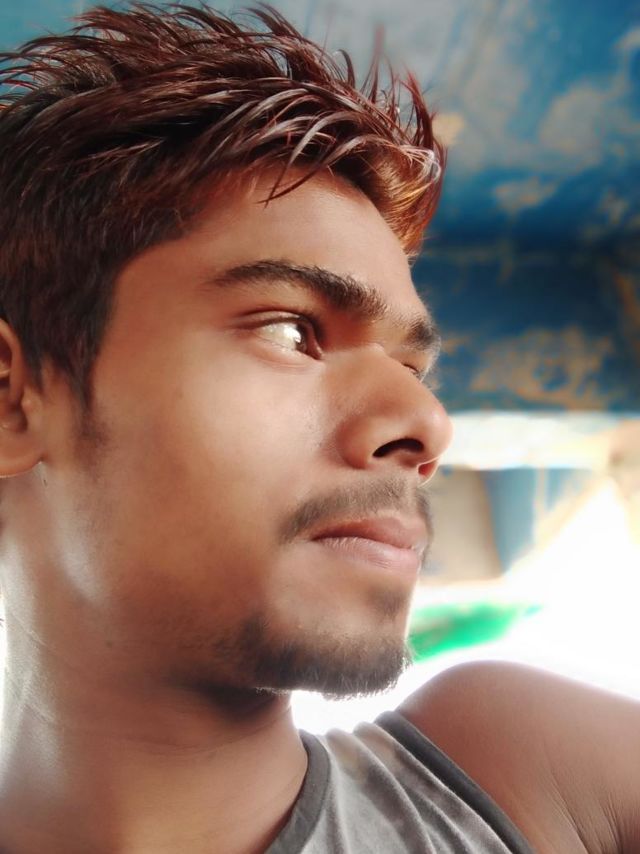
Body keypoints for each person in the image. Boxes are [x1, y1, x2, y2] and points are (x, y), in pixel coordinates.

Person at [0, 3, 637, 852]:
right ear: (13, 401)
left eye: (412, 370)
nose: (427, 425)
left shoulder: (532, 779)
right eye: (290, 331)